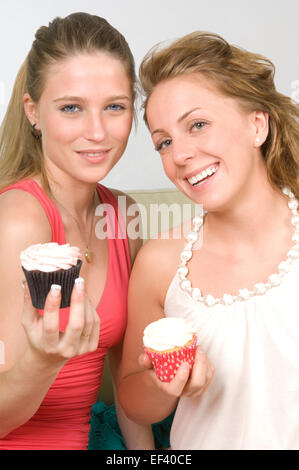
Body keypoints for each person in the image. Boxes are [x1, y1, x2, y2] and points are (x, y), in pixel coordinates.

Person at [118, 31, 299, 450]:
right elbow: (133, 402)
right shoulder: (160, 261)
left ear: (257, 125)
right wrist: (164, 383)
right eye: (164, 142)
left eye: (197, 125)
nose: (179, 155)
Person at [0, 12, 155, 450]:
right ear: (34, 111)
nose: (97, 131)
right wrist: (43, 361)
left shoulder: (124, 214)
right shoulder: (19, 219)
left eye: (115, 107)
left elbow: (126, 386)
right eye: (72, 107)